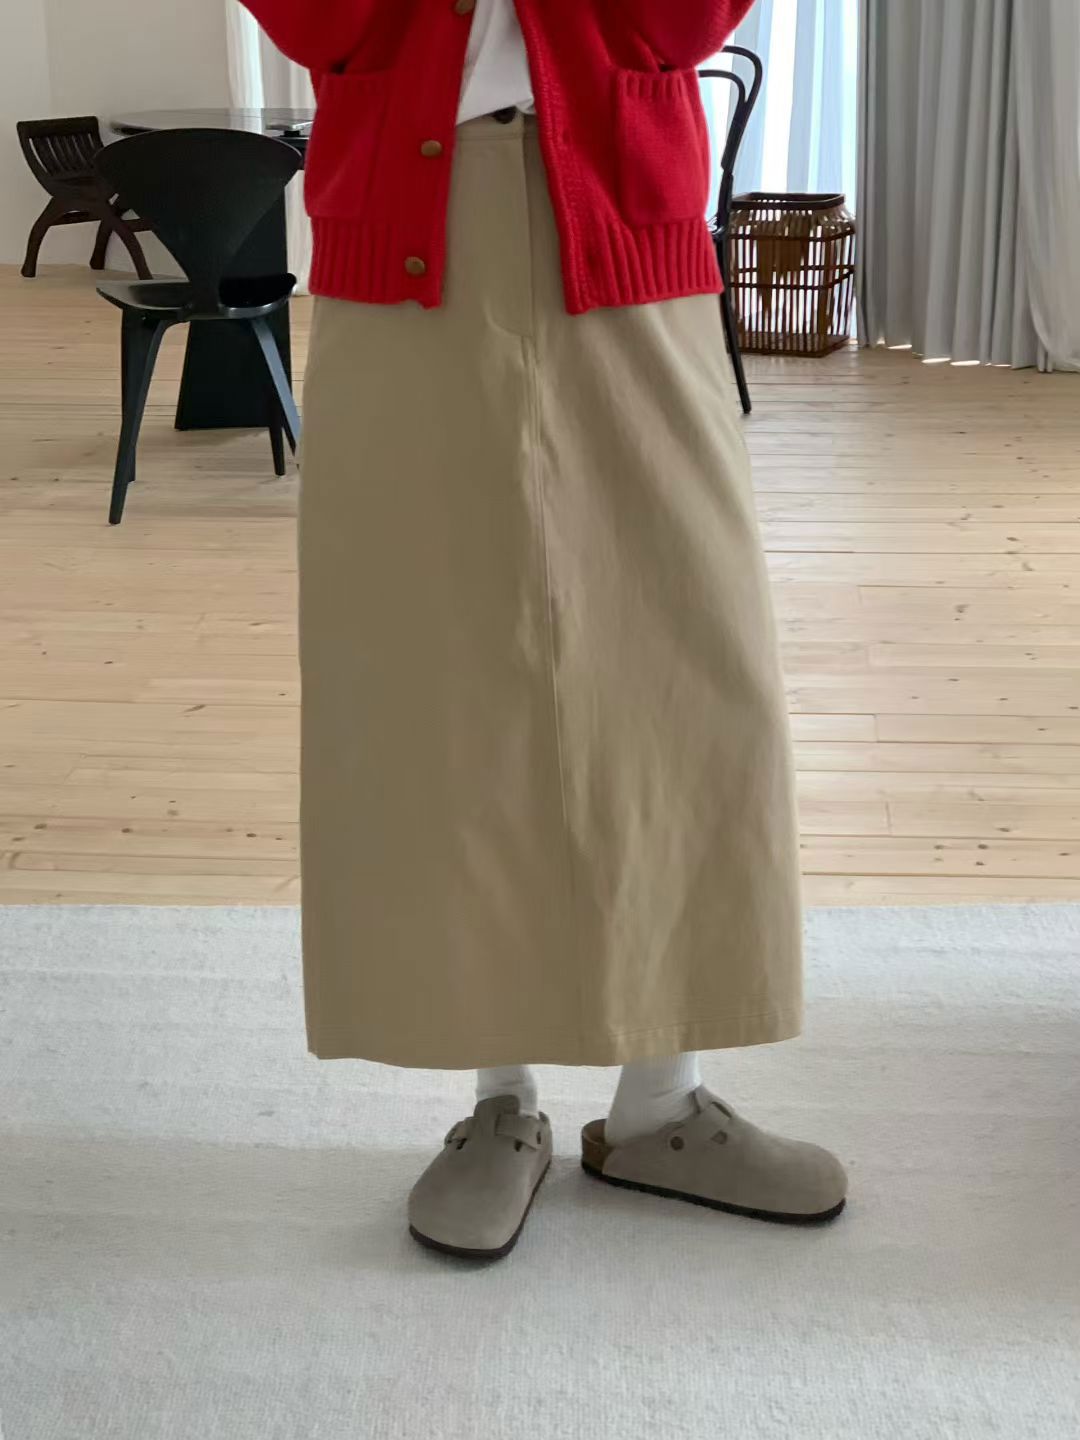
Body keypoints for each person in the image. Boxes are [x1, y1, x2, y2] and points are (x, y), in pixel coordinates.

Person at [241, 0, 848, 1259]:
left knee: (687, 652)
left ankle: (662, 1104)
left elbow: (686, 19)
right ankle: (498, 1100)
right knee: (437, 664)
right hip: (404, 220)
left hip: (624, 199)